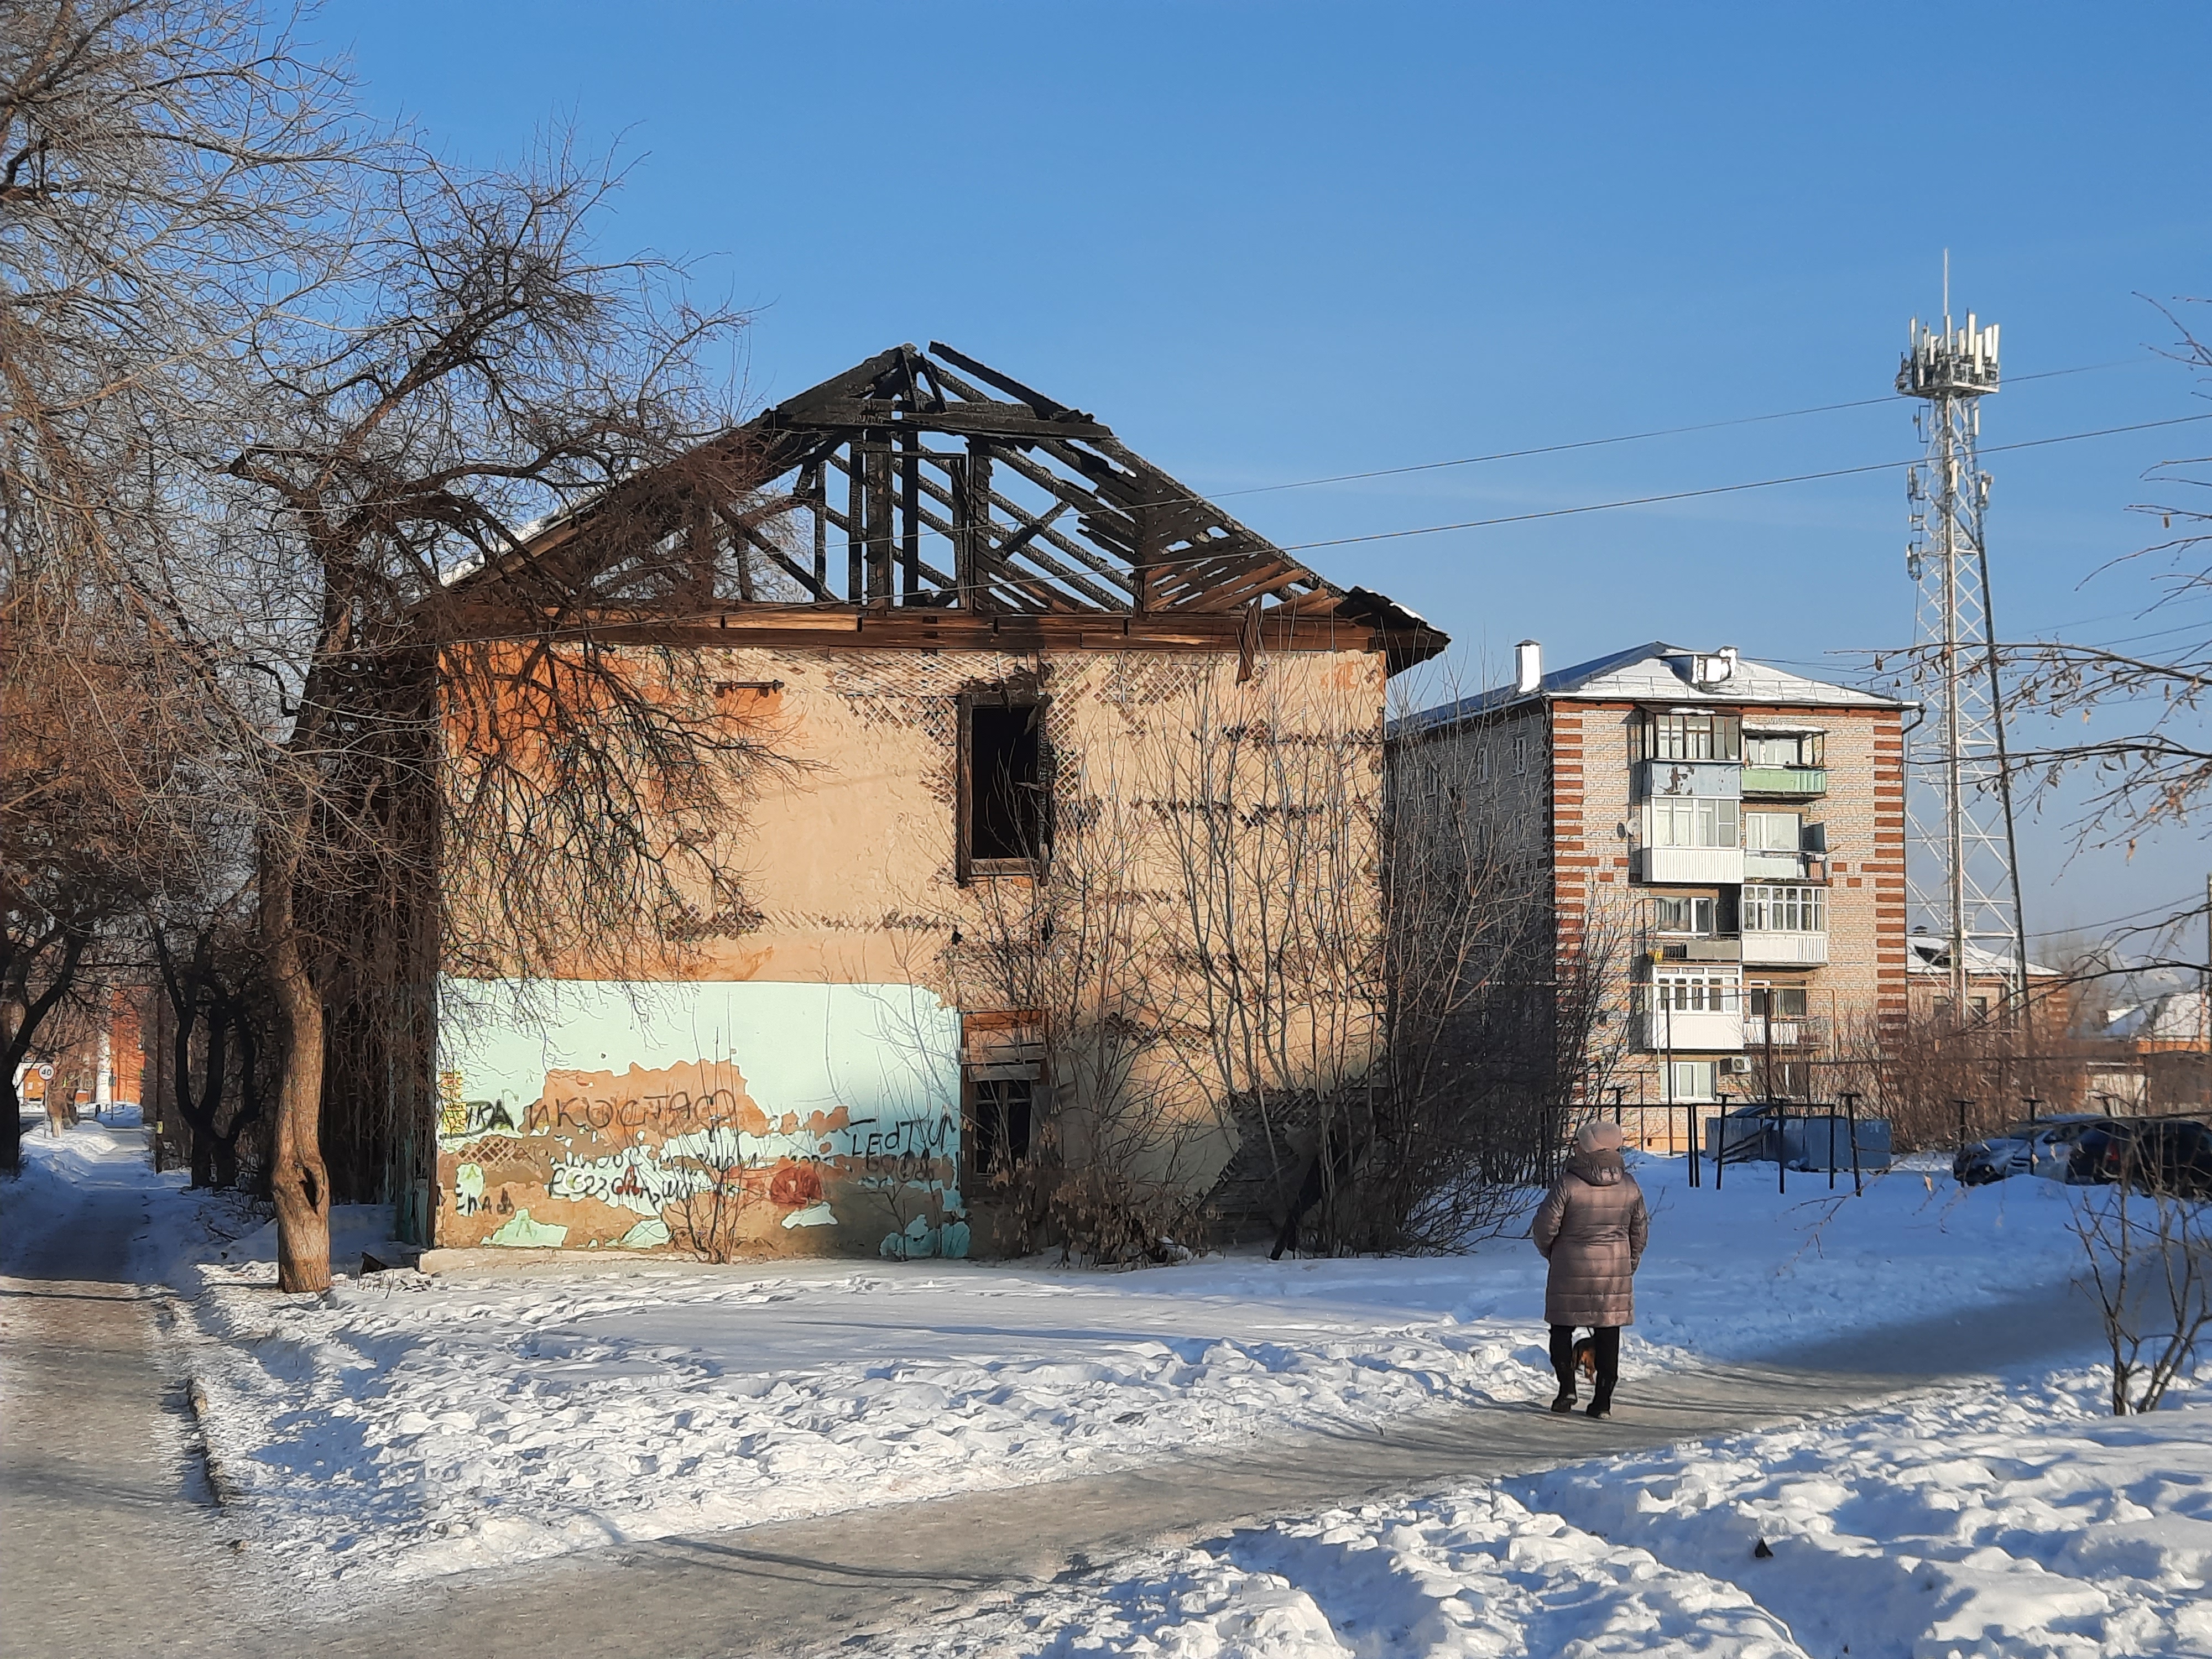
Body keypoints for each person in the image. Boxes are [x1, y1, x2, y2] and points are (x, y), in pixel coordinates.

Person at [1532, 1119, 1649, 1419]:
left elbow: (1545, 1227)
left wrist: (1554, 1254)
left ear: (1586, 1148)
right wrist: (1629, 1262)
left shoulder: (1568, 1184)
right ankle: (1602, 1403)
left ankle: (1567, 1387)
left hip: (1570, 1263)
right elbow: (1640, 1231)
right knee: (1608, 1332)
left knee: (1562, 1327)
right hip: (1614, 1268)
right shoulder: (1630, 1185)